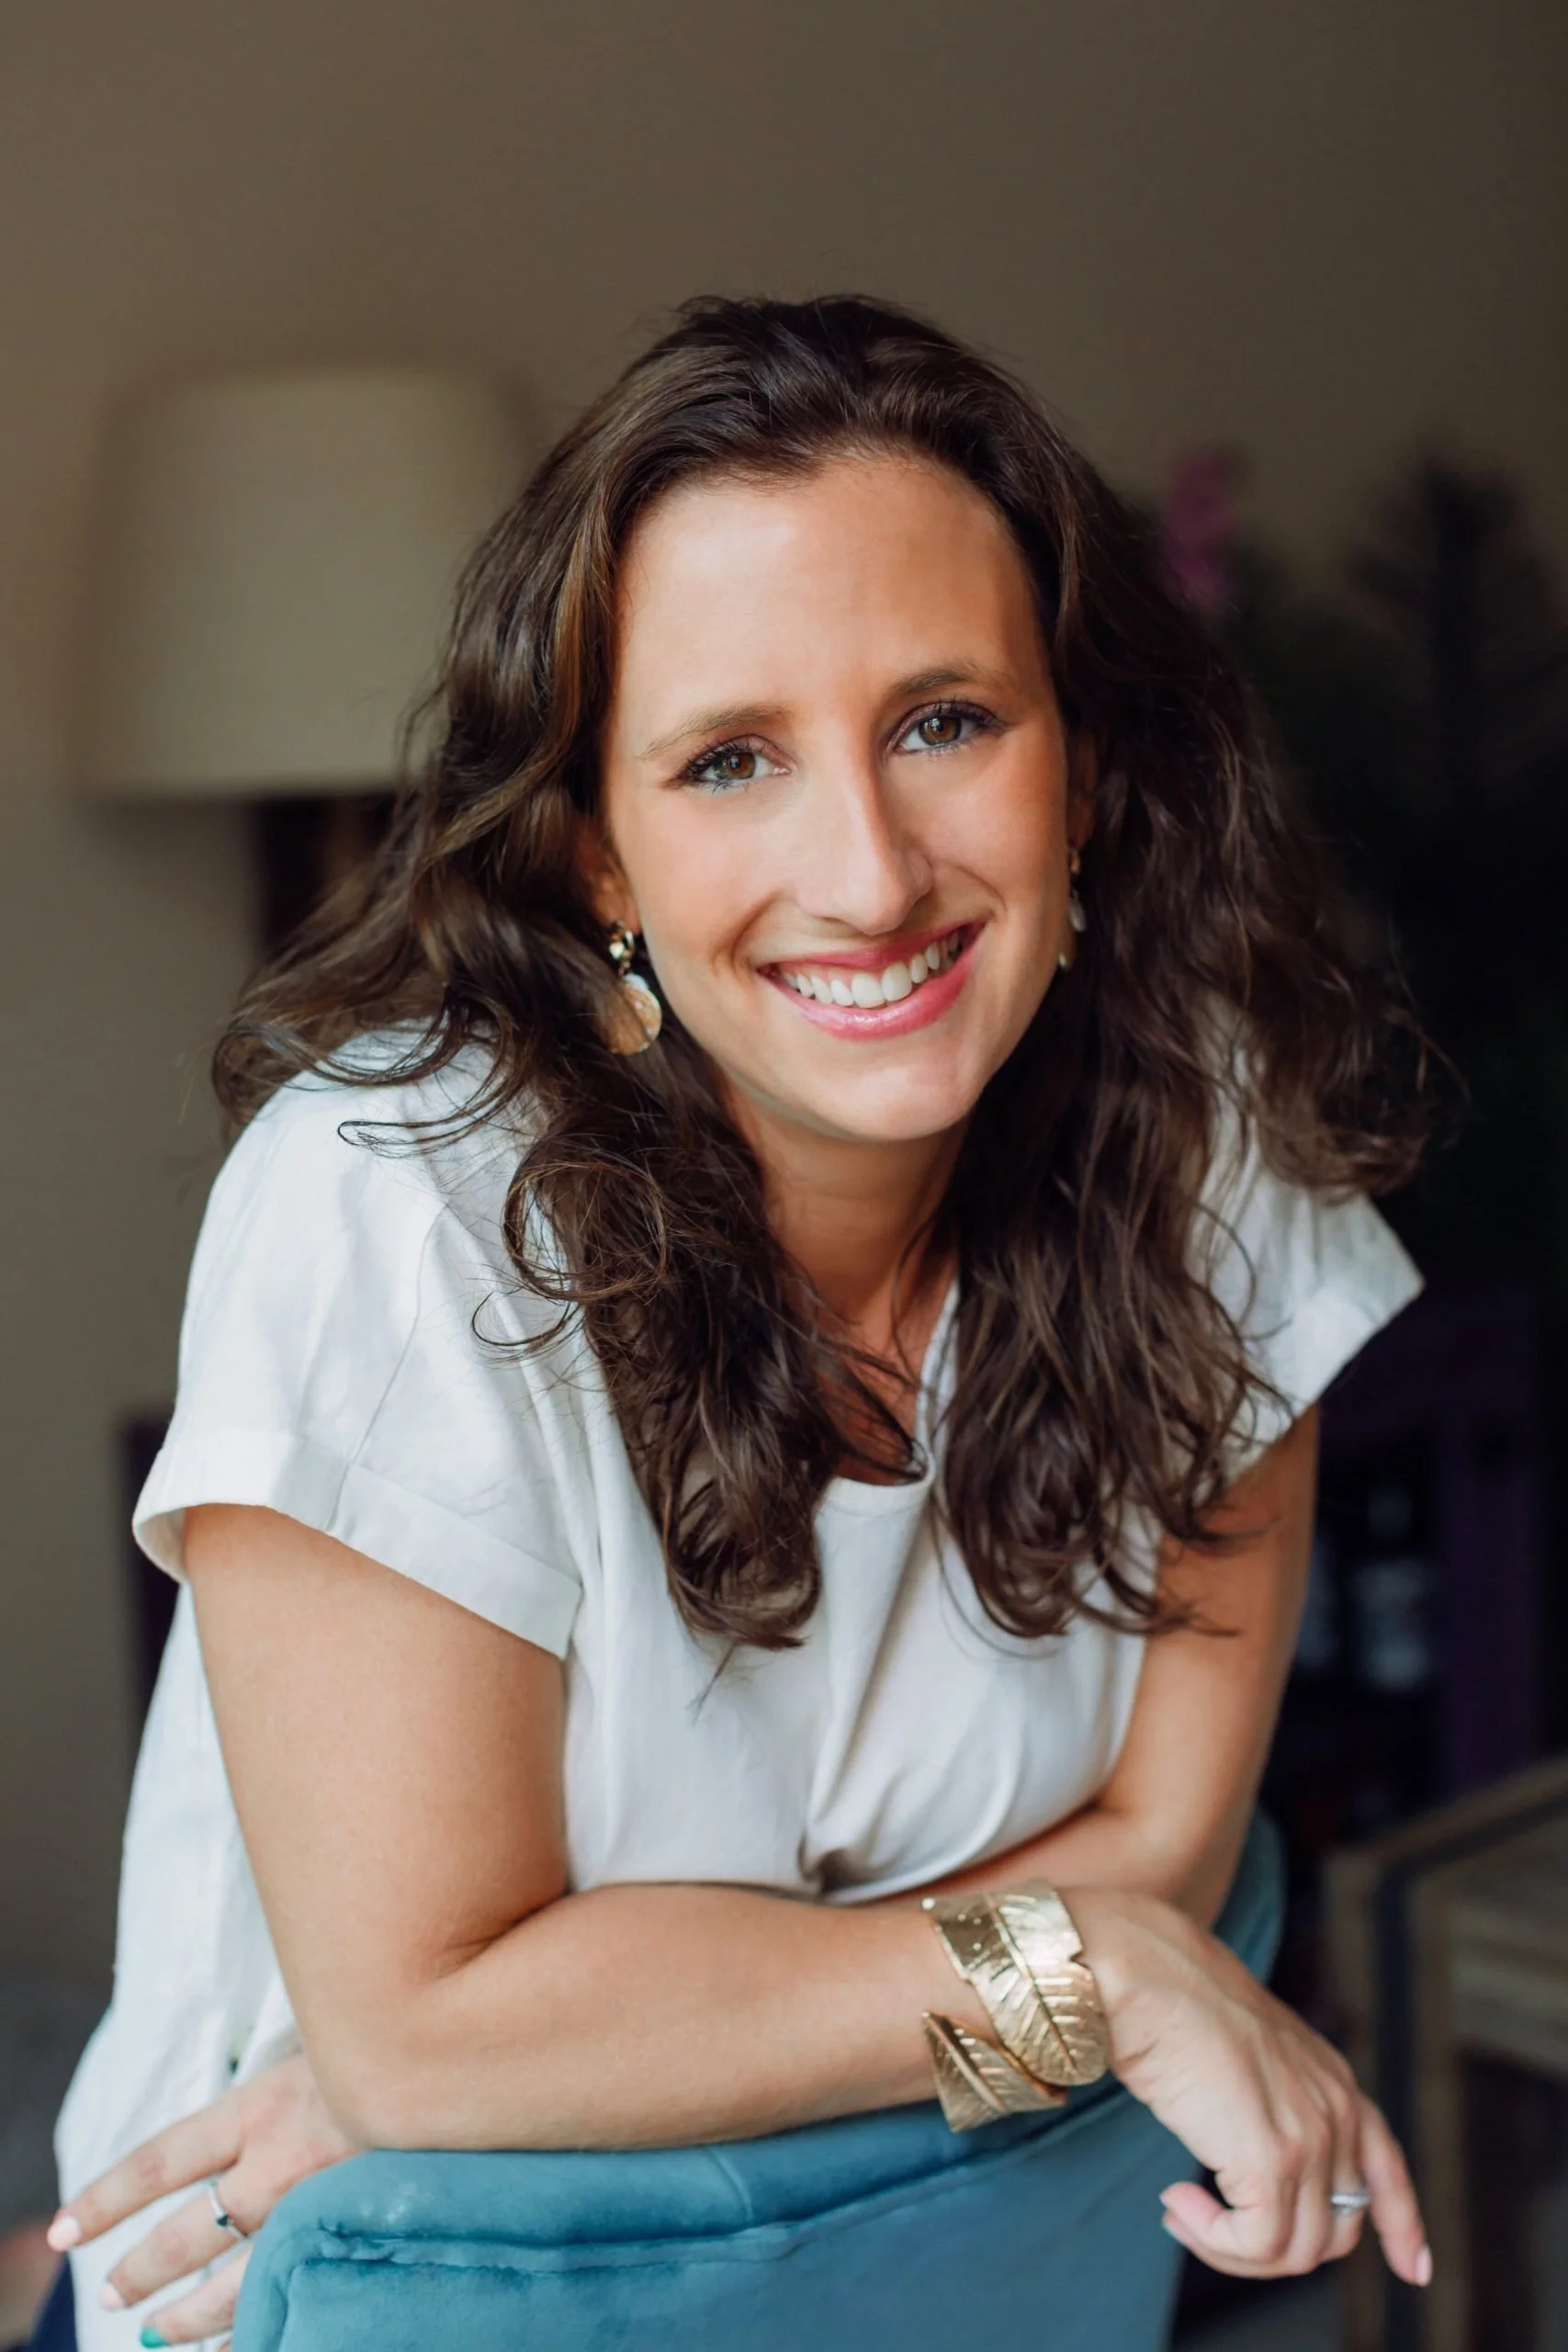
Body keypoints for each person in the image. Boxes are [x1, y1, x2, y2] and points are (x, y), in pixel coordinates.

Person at [39, 295, 1432, 2352]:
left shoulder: (1198, 1135)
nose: (867, 874)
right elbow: (430, 2033)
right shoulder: (390, 1211)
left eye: (944, 720)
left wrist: (591, 2062)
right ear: (597, 855)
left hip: (949, 2286)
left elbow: (1161, 1841)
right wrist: (1092, 1976)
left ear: (1082, 766)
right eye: (728, 759)